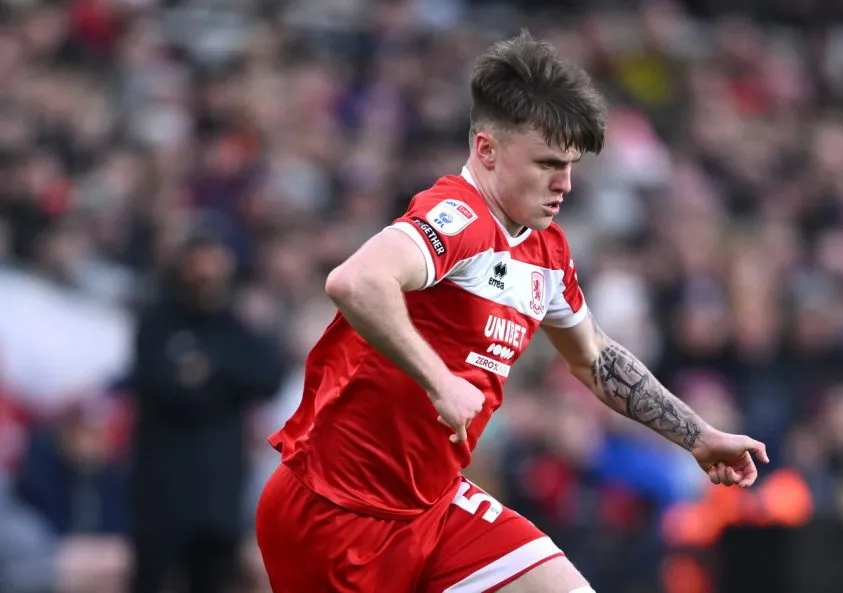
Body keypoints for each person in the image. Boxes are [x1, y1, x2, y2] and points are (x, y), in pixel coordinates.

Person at [255, 31, 769, 593]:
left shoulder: (546, 252)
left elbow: (594, 359)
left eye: (570, 165)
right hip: (334, 511)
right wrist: (440, 382)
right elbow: (355, 281)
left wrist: (699, 437)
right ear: (487, 150)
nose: (564, 184)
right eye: (548, 164)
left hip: (435, 505)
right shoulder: (459, 216)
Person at [130, 222, 286, 593]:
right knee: (151, 577)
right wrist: (228, 385)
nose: (206, 273)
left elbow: (268, 376)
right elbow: (162, 384)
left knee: (213, 579)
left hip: (218, 485)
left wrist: (210, 369)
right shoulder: (157, 320)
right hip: (162, 483)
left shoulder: (236, 325)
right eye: (199, 262)